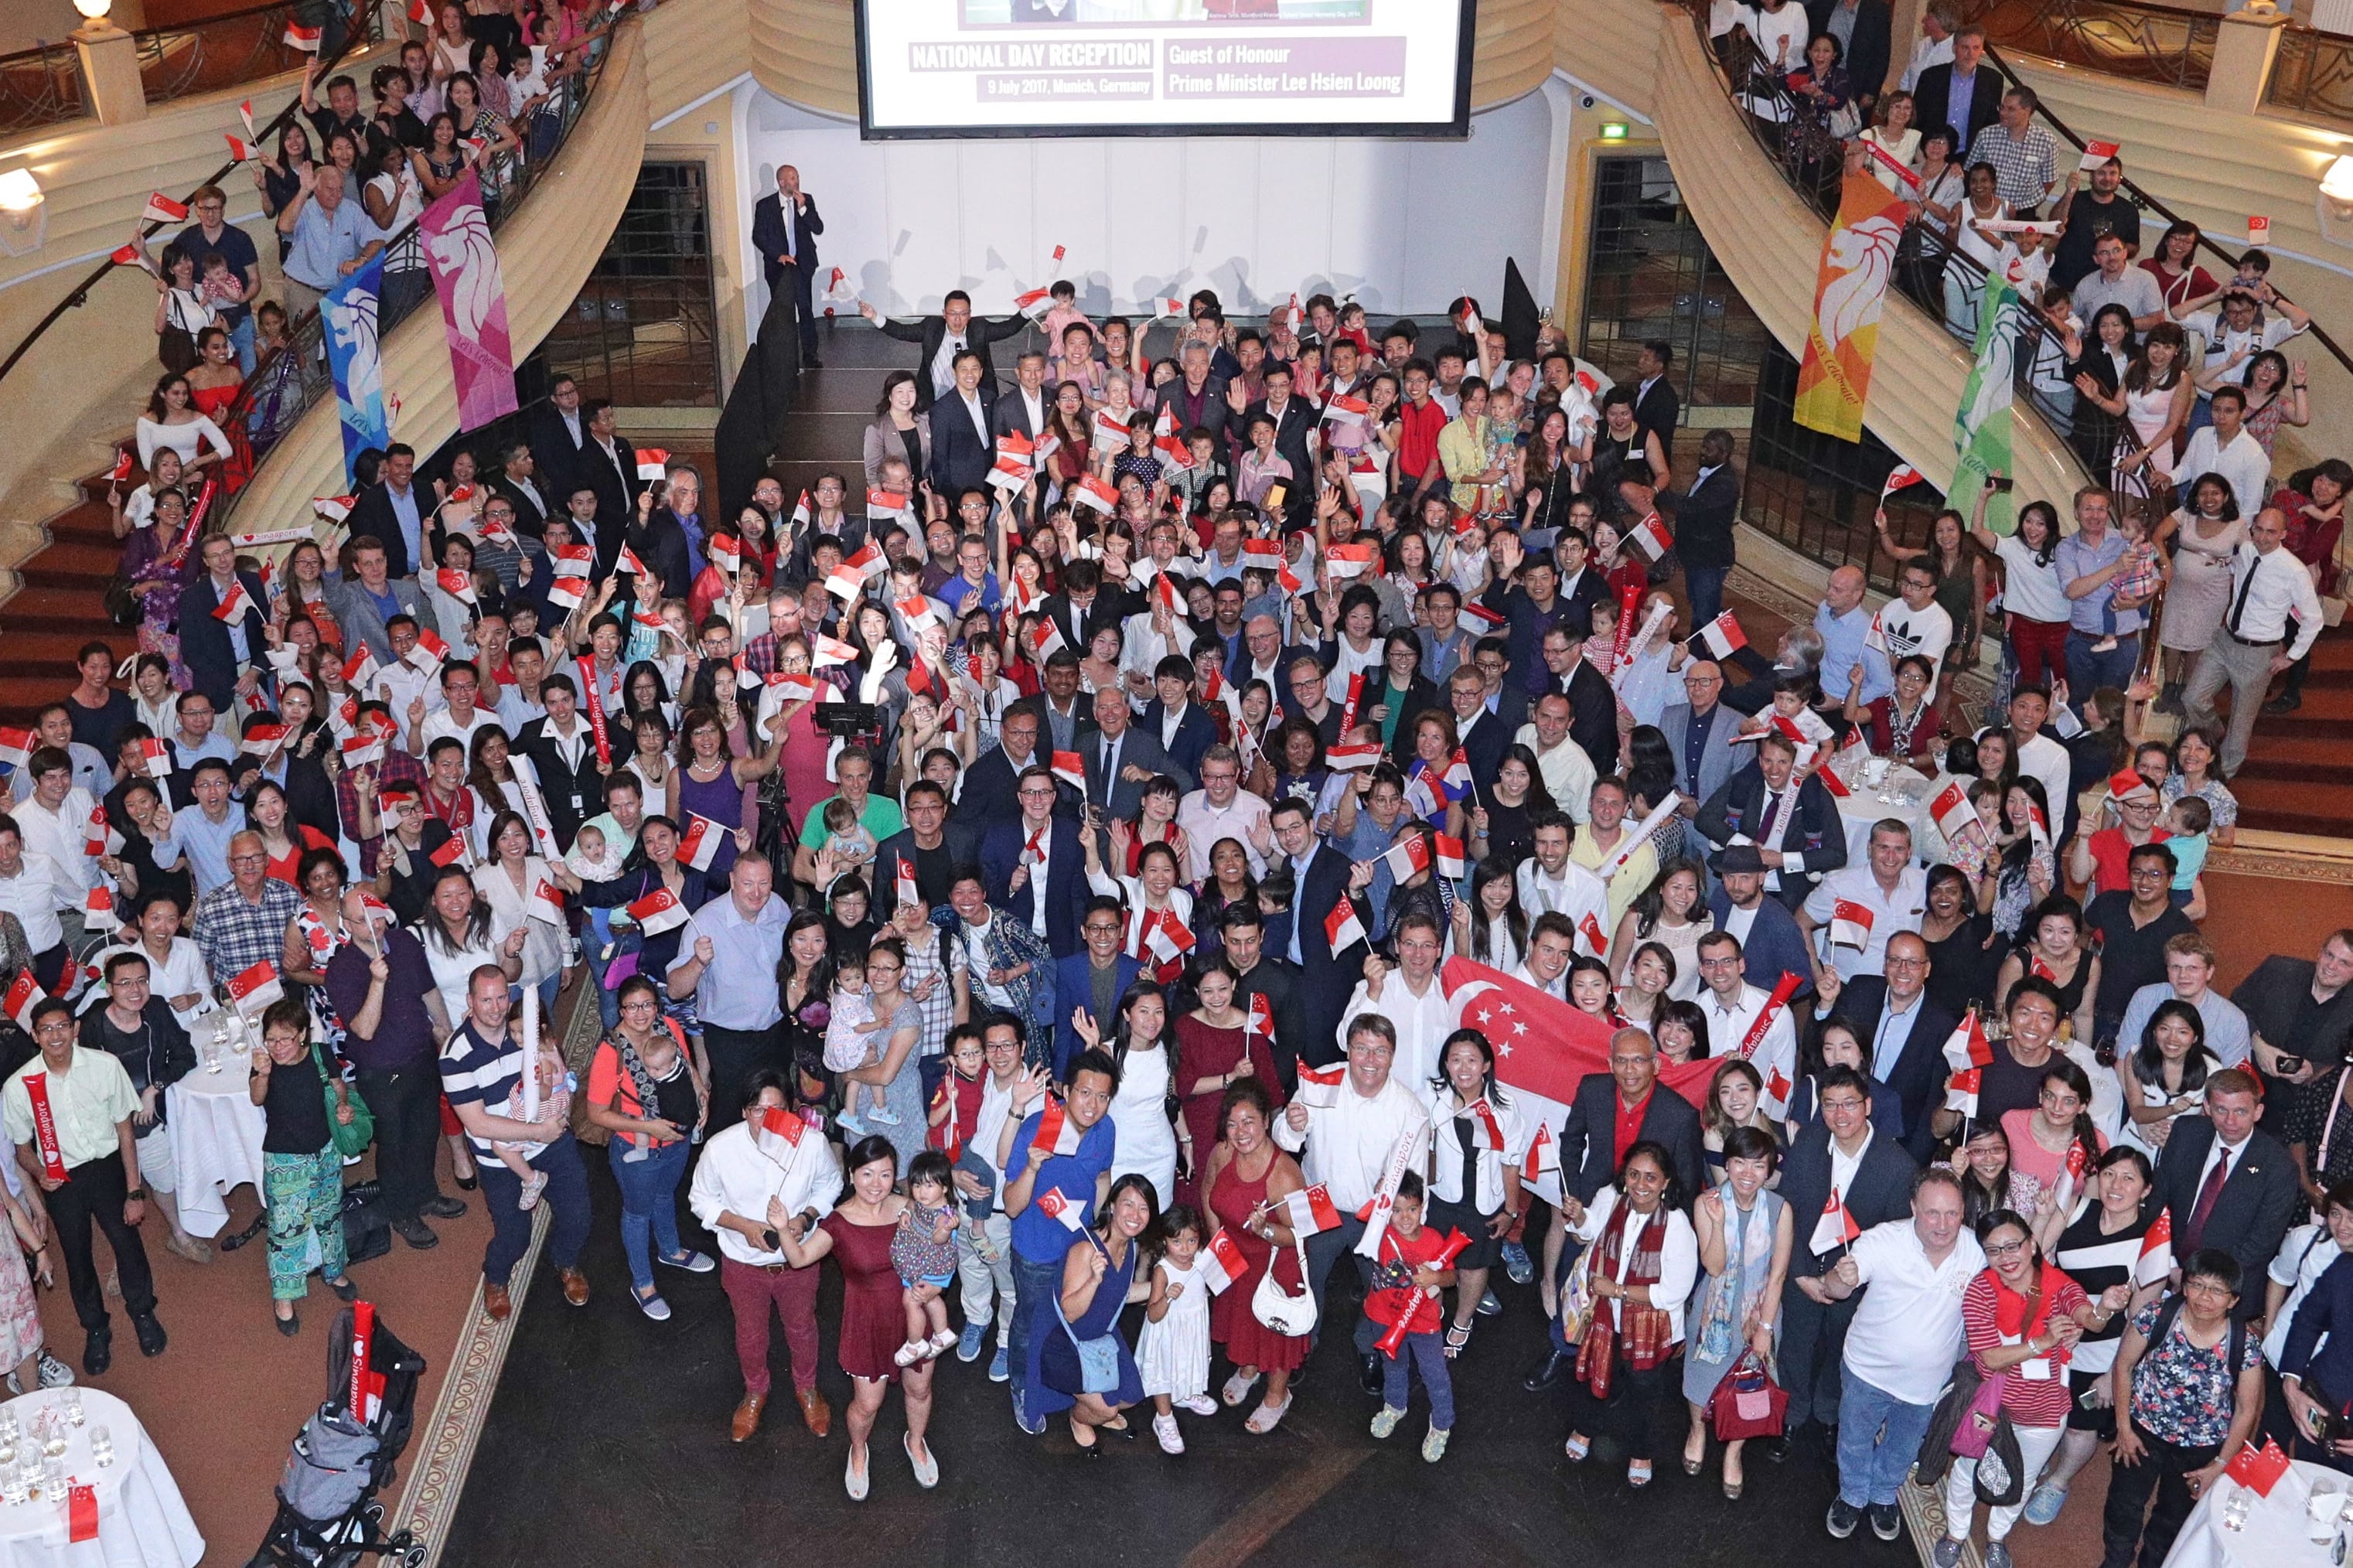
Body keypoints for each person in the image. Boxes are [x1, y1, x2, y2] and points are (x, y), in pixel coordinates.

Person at [773, 1136, 943, 1498]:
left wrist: (937, 1287)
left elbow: (942, 1251)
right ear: (851, 1175)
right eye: (867, 1174)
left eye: (885, 1174)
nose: (876, 1184)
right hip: (867, 1321)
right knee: (867, 1404)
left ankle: (916, 1442)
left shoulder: (910, 1208)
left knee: (920, 1388)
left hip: (915, 1314)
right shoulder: (838, 1222)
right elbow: (799, 1259)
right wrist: (783, 1228)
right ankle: (859, 1448)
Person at [1821, 1168, 1985, 1541]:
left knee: (1903, 1447)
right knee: (1854, 1439)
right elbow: (1836, 1290)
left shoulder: (1976, 1252)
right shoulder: (1883, 1240)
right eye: (1932, 1213)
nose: (1943, 1225)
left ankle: (1882, 1495)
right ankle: (1851, 1495)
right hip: (1867, 1370)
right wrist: (1839, 1279)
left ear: (1963, 1211)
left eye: (1952, 1213)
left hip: (1926, 1384)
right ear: (1913, 1208)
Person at [3, 997, 165, 1375]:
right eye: (46, 1029)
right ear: (34, 1035)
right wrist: (40, 1172)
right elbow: (20, 1148)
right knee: (77, 1258)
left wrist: (134, 1191)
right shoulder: (20, 1086)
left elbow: (125, 1131)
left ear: (75, 1028)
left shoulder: (104, 1067)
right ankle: (96, 1329)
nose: (56, 1035)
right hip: (61, 1180)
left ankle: (143, 1312)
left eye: (62, 1026)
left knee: (127, 1244)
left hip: (107, 1168)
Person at [1272, 1014, 1429, 1397]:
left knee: (1383, 1289)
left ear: (1393, 1056)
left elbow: (1416, 1185)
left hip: (1375, 1216)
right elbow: (1284, 1142)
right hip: (1320, 1205)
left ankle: (1368, 1348)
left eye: (1380, 1051)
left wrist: (1398, 1203)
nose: (1370, 1060)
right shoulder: (1322, 1081)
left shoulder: (1410, 1110)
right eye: (1361, 1049)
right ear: (1348, 1050)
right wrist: (1292, 1123)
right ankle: (1301, 1345)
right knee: (1306, 1281)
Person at [1935, 1208, 2102, 1568]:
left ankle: (1997, 1536)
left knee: (2022, 1479)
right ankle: (1955, 1531)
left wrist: (2100, 1315)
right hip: (1992, 1407)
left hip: (2044, 1412)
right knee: (1968, 1468)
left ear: (2032, 1244)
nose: (2006, 1258)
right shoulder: (1980, 1291)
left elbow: (2084, 1311)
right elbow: (1988, 1359)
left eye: (2013, 1246)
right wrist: (2042, 1342)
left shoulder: (2057, 1285)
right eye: (1994, 1250)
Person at [2027, 1146, 2165, 1525]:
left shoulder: (2150, 1243)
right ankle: (2032, 1463)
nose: (2115, 1185)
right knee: (2035, 1411)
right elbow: (2036, 1257)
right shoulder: (2075, 1208)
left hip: (2104, 1354)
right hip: (2056, 1334)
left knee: (2079, 1425)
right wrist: (2040, 1218)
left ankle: (2059, 1480)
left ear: (2146, 1189)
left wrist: (2116, 1374)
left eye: (2128, 1178)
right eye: (2108, 1174)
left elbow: (2144, 1319)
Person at [438, 966, 584, 1323]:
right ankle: (497, 1276)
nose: (495, 1007)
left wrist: (559, 1102)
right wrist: (536, 1132)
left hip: (550, 1141)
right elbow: (477, 1123)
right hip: (500, 1157)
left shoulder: (525, 1030)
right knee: (515, 1235)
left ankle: (566, 1262)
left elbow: (554, 1073)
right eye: (485, 999)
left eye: (502, 997)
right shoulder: (454, 1056)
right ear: (470, 1001)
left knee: (579, 1214)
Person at [2106, 1249, 2266, 1568]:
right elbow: (2123, 1366)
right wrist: (2123, 1428)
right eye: (2198, 1285)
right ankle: (2115, 1561)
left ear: (2233, 1300)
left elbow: (2246, 1409)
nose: (2205, 1297)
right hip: (2142, 1433)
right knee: (2123, 1507)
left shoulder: (2244, 1344)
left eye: (2218, 1290)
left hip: (2200, 1449)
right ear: (2184, 1286)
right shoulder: (2156, 1316)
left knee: (2173, 1519)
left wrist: (2220, 1464)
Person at [324, 888, 463, 1250]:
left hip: (421, 1054)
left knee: (425, 1129)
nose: (376, 926)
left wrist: (444, 1034)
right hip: (381, 1071)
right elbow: (364, 1029)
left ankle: (426, 1193)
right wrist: (378, 981)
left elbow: (429, 991)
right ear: (347, 924)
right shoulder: (341, 969)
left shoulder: (403, 941)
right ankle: (401, 1211)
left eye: (378, 915)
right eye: (364, 920)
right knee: (395, 1142)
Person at [1559, 1140, 1699, 1487]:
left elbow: (1674, 1293)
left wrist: (1617, 1292)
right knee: (1598, 1374)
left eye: (1651, 1178)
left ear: (1666, 1182)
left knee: (1644, 1392)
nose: (1640, 1185)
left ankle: (1641, 1450)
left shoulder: (1678, 1225)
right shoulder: (1612, 1197)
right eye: (1634, 1175)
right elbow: (1592, 1228)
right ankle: (1586, 1429)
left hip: (1650, 1328)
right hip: (1606, 1317)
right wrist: (1579, 1216)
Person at [1001, 1048, 1119, 1435]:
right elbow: (1013, 1207)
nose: (1093, 1105)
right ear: (1065, 1090)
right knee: (1029, 1325)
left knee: (1071, 1320)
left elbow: (1103, 1176)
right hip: (1035, 1251)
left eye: (1103, 1096)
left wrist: (1097, 1226)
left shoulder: (1107, 1130)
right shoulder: (1037, 1128)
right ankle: (1022, 1386)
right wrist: (1033, 1167)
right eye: (1085, 1093)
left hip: (1078, 1251)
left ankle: (1066, 1389)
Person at [585, 974, 711, 1321]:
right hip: (637, 1150)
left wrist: (702, 1098)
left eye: (647, 1005)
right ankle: (642, 1283)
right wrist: (647, 1127)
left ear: (657, 1006)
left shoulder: (669, 1026)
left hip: (676, 1140)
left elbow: (687, 1068)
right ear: (621, 1010)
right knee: (638, 1212)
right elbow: (595, 1113)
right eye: (632, 1007)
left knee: (665, 1195)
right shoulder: (612, 1051)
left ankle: (670, 1250)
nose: (641, 1014)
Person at [1682, 1123, 1792, 1500]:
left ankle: (1734, 1452)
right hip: (1714, 1311)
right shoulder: (1707, 1202)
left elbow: (1777, 1276)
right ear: (1726, 1165)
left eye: (1758, 1166)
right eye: (1740, 1163)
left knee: (1750, 1386)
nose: (1748, 1173)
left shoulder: (1780, 1210)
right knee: (1702, 1377)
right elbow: (1713, 1267)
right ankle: (1697, 1431)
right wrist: (1717, 1223)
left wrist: (1764, 1327)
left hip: (1759, 1311)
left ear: (1770, 1170)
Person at [2182, 507, 2324, 779]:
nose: (2262, 537)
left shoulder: (2293, 570)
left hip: (2259, 653)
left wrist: (2291, 657)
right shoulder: (2247, 551)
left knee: (2240, 726)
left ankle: (2220, 779)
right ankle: (2214, 736)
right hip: (2225, 642)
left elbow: (2313, 619)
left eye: (2271, 531)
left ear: (2283, 534)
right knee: (2192, 698)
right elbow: (2236, 571)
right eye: (2258, 529)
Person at [247, 997, 356, 1335]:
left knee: (330, 1215)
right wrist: (262, 1074)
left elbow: (340, 1089)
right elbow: (256, 1098)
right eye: (271, 1039)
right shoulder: (264, 1063)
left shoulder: (322, 1056)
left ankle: (333, 1271)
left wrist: (342, 1107)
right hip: (284, 1160)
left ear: (303, 1037)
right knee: (286, 1229)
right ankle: (284, 1297)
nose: (278, 1047)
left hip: (324, 1152)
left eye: (286, 1039)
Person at [2153, 1069, 2298, 1321]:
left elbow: (2261, 1244)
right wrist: (2168, 1266)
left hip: (2228, 1292)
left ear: (2258, 1112)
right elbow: (2158, 1202)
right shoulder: (2186, 1133)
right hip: (2164, 1271)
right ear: (2207, 1107)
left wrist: (2198, 1283)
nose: (2230, 1121)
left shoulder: (2279, 1165)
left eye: (2241, 1111)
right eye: (2221, 1110)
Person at [1426, 1030, 1527, 1358]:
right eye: (1456, 1060)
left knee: (1473, 1266)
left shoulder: (1507, 1105)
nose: (1464, 1068)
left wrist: (1510, 1212)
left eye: (1472, 1060)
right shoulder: (1432, 1094)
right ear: (1446, 1064)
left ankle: (1462, 1321)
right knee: (1434, 1262)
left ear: (1486, 1065)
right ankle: (1431, 1315)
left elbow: (1511, 1164)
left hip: (1483, 1202)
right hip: (1441, 1196)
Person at [1040, 1171, 1155, 1454]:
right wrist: (1093, 1280)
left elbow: (1121, 1294)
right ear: (1112, 1206)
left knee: (1132, 1397)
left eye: (1144, 1208)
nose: (1136, 1215)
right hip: (1068, 1345)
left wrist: (1166, 1286)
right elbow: (1070, 1312)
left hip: (1103, 1337)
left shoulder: (1130, 1244)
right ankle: (1080, 1419)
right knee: (1107, 1409)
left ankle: (1100, 1411)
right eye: (1128, 1204)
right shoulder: (1085, 1248)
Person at [1139, 1202, 1216, 1454]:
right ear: (1164, 1241)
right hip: (1167, 1329)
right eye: (1177, 1242)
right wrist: (1168, 1297)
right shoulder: (1163, 1271)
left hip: (1192, 1326)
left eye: (1192, 1241)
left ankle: (1186, 1393)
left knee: (1190, 1360)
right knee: (1164, 1371)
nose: (1185, 1249)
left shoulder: (1201, 1260)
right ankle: (1164, 1417)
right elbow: (1153, 1314)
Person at [749, 164, 824, 364]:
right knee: (783, 312)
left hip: (801, 265)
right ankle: (787, 356)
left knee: (805, 308)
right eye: (792, 178)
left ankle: (810, 354)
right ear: (781, 182)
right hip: (779, 267)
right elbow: (758, 236)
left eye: (797, 176)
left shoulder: (806, 200)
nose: (796, 181)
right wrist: (778, 255)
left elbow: (818, 228)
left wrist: (804, 209)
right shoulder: (765, 205)